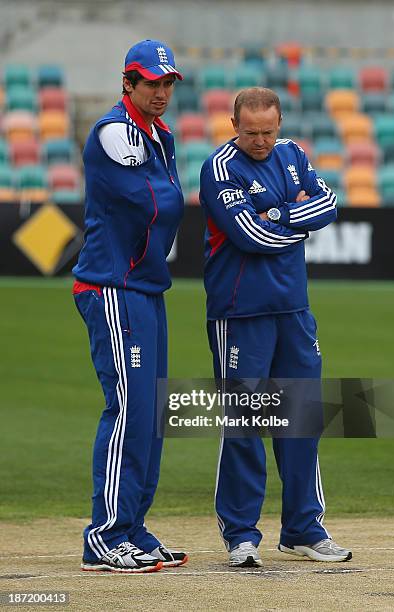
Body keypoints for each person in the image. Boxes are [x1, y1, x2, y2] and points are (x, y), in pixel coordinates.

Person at [199, 87, 352, 566]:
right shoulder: (219, 167)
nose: (261, 141)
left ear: (279, 124)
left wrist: (280, 214)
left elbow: (327, 203)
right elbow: (251, 235)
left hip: (294, 309)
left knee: (303, 417)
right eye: (251, 133)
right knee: (244, 423)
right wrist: (292, 220)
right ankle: (241, 534)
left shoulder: (293, 154)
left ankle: (304, 528)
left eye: (268, 131)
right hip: (241, 312)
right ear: (234, 125)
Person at [72, 39, 187, 573]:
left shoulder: (157, 134)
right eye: (151, 83)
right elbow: (157, 200)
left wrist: (170, 196)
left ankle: (133, 528)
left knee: (150, 414)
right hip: (112, 285)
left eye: (167, 84)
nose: (160, 93)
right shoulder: (115, 131)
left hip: (142, 285)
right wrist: (171, 196)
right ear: (128, 84)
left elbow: (166, 198)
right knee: (127, 409)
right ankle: (104, 536)